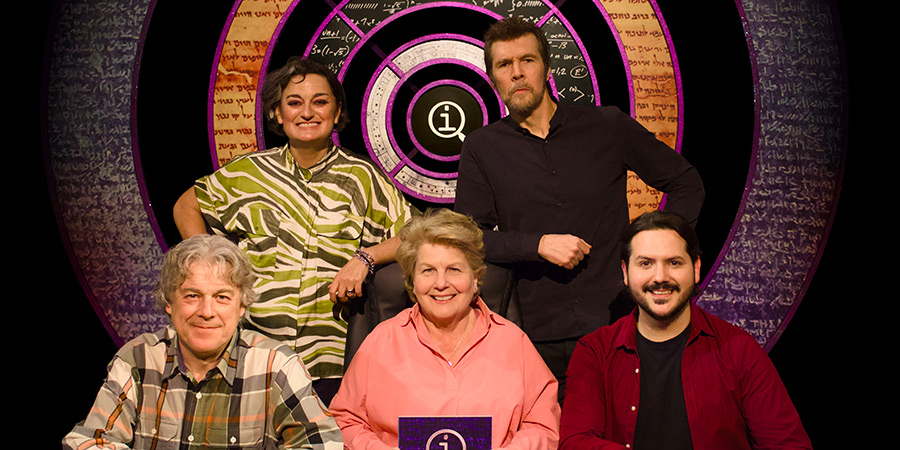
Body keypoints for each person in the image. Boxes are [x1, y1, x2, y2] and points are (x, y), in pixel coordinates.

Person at [454, 16, 705, 400]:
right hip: (537, 335)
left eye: (528, 60)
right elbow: (468, 238)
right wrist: (536, 244)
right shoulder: (481, 147)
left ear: (547, 68)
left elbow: (686, 182)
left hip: (618, 320)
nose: (517, 73)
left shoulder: (606, 125)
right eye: (505, 65)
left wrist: (652, 250)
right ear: (493, 78)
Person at [173, 57, 415, 402]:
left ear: (337, 112)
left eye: (320, 102)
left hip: (331, 365)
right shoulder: (248, 173)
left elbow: (415, 235)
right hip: (251, 355)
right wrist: (211, 270)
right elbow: (186, 206)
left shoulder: (363, 178)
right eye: (294, 102)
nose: (307, 113)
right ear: (276, 112)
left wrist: (365, 258)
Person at [559, 211, 812, 449]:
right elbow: (576, 442)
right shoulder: (594, 352)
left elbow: (788, 444)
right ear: (626, 272)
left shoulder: (739, 349)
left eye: (674, 262)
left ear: (696, 268)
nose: (660, 276)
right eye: (645, 263)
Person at [63, 234, 343, 449]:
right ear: (169, 302)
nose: (206, 312)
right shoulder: (137, 359)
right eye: (192, 296)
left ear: (242, 306)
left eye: (222, 297)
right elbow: (91, 440)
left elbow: (324, 443)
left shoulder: (277, 365)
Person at [330, 209, 560, 449]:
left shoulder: (513, 342)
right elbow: (344, 420)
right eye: (428, 270)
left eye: (454, 270)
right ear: (413, 282)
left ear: (475, 280)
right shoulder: (381, 341)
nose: (441, 284)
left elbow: (543, 424)